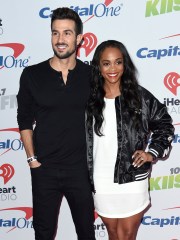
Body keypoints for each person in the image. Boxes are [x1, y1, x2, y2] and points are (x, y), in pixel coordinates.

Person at [17, 7, 96, 240]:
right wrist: (32, 160)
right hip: (44, 170)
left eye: (67, 33)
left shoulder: (91, 75)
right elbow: (24, 119)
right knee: (43, 233)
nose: (60, 40)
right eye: (55, 33)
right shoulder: (32, 74)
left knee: (86, 232)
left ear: (79, 38)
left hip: (80, 170)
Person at [86, 40, 174, 240]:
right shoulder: (89, 99)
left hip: (132, 178)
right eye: (106, 63)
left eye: (118, 62)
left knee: (126, 235)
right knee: (113, 234)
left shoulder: (139, 96)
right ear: (98, 67)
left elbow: (164, 124)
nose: (113, 68)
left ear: (125, 64)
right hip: (101, 180)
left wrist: (152, 153)